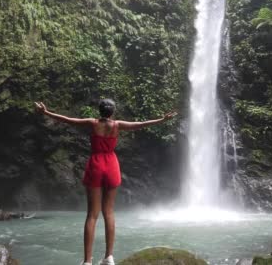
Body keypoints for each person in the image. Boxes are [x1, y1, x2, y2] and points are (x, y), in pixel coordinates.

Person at [34, 99, 177, 265]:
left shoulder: (92, 123)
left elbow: (68, 120)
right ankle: (109, 257)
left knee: (92, 215)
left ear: (99, 111)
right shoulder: (118, 125)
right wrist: (162, 120)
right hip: (111, 166)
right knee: (108, 212)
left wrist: (46, 112)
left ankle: (87, 261)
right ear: (113, 112)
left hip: (96, 164)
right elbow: (141, 124)